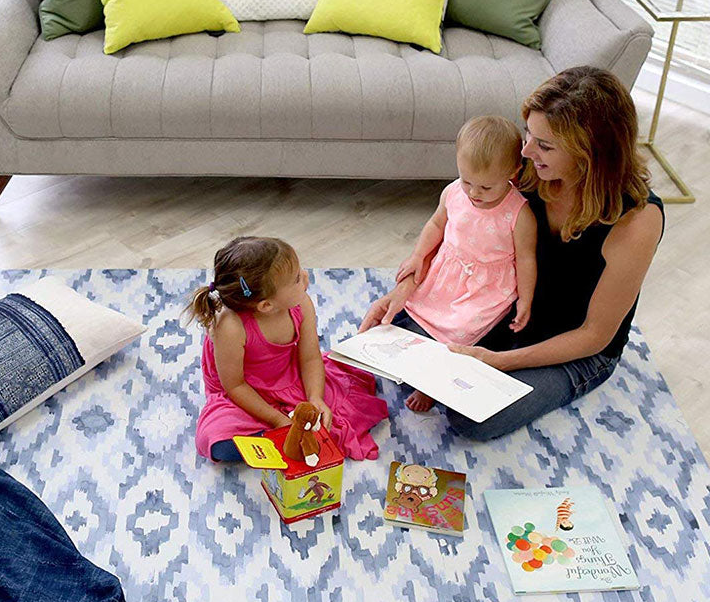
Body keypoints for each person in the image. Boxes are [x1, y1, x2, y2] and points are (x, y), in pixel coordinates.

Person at [360, 66, 665, 441]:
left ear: (590, 152)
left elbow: (595, 335)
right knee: (395, 339)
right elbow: (455, 225)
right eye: (528, 135)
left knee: (472, 418)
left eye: (545, 145)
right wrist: (403, 291)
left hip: (574, 348)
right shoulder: (529, 171)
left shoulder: (636, 219)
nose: (525, 151)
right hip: (507, 312)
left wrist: (499, 362)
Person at [189, 236, 388, 462]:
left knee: (344, 408)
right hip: (244, 392)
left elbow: (311, 358)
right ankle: (275, 437)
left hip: (290, 376)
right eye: (295, 279)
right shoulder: (230, 327)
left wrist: (316, 398)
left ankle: (283, 438)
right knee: (216, 441)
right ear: (266, 305)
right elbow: (235, 385)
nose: (305, 276)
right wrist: (277, 420)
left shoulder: (301, 304)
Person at [390, 116, 537, 412]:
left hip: (484, 288)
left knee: (459, 331)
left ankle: (432, 384)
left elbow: (526, 259)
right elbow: (436, 224)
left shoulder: (518, 214)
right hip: (449, 270)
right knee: (413, 311)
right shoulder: (454, 192)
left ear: (513, 172)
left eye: (485, 187)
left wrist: (526, 299)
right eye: (466, 180)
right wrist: (419, 255)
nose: (473, 193)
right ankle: (413, 351)